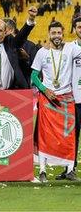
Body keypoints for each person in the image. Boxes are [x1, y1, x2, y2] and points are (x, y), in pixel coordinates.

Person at [30, 21, 81, 182]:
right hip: (47, 98)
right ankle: (43, 171)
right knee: (44, 135)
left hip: (66, 98)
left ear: (63, 33)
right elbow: (33, 76)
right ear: (49, 34)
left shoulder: (71, 49)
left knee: (69, 135)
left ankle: (70, 170)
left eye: (59, 33)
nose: (57, 36)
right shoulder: (42, 52)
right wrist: (45, 90)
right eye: (54, 33)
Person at [57, 16, 81, 179]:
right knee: (72, 136)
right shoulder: (69, 47)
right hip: (75, 100)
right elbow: (64, 72)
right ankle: (69, 169)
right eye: (79, 27)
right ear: (74, 29)